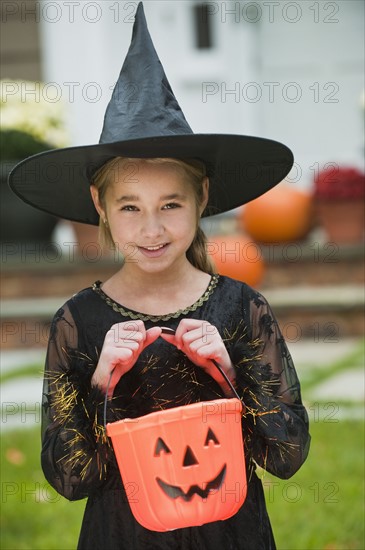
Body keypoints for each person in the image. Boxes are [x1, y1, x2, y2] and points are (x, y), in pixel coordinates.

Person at [9, 3, 310, 549]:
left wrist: (230, 371)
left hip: (231, 533)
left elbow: (286, 455)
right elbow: (71, 479)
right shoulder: (79, 322)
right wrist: (101, 382)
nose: (152, 229)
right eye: (130, 207)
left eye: (170, 204)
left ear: (203, 199)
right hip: (122, 535)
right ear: (99, 204)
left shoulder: (242, 309)